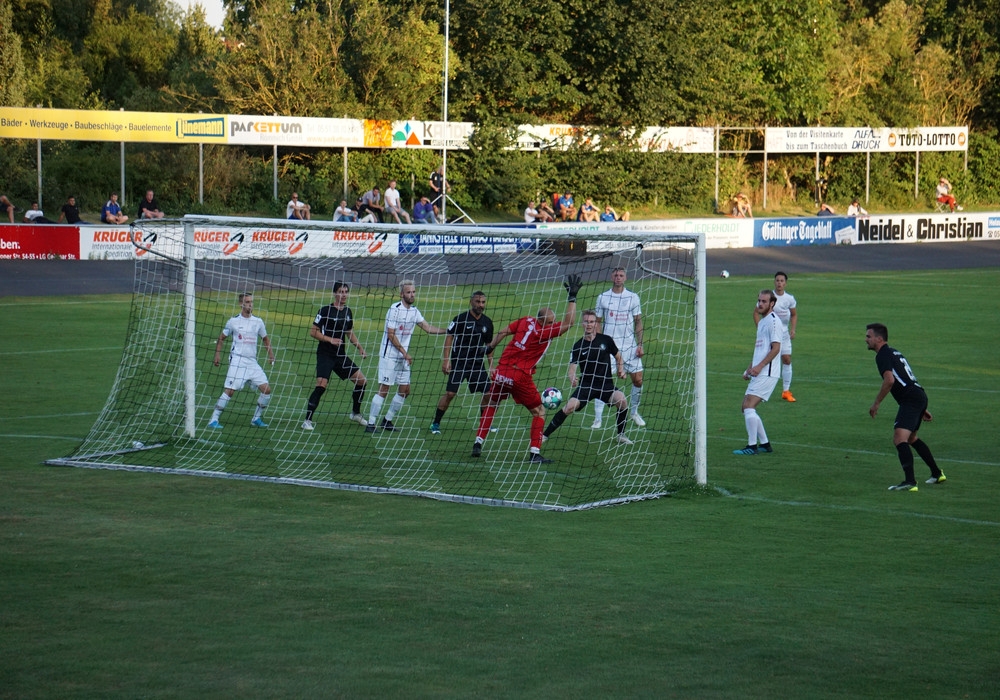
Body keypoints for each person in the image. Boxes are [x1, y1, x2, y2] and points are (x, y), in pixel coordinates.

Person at [472, 274, 581, 463]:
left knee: (492, 404)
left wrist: (490, 347)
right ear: (544, 322)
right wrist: (572, 297)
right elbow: (569, 323)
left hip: (502, 371)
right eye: (551, 322)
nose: (554, 324)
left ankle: (478, 443)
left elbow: (503, 331)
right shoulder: (543, 332)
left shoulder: (525, 320)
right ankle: (534, 453)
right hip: (519, 376)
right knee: (539, 411)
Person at [865, 323, 945, 490]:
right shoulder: (895, 352)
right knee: (911, 438)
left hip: (911, 399)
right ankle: (937, 473)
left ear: (879, 339)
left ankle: (910, 482)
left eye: (868, 336)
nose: (866, 340)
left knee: (899, 438)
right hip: (918, 395)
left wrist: (876, 403)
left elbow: (890, 380)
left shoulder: (882, 355)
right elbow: (905, 378)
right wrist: (921, 407)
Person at [542, 310, 633, 446]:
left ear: (596, 323)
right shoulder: (578, 346)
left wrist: (621, 370)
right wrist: (572, 378)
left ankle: (621, 435)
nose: (589, 324)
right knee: (569, 407)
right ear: (582, 323)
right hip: (586, 386)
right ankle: (544, 435)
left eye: (592, 322)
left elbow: (619, 357)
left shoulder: (606, 340)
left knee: (622, 401)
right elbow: (572, 368)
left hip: (605, 385)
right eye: (586, 321)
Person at [366, 280, 446, 432]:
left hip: (403, 357)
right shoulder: (394, 309)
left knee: (405, 390)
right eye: (409, 292)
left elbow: (427, 328)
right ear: (401, 294)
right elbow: (391, 334)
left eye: (413, 292)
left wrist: (448, 330)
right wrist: (405, 353)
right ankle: (371, 423)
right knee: (384, 388)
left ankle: (387, 420)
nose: (412, 295)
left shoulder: (414, 311)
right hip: (390, 355)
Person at [302, 282, 369, 430]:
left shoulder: (348, 312)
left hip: (340, 355)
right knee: (321, 385)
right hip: (325, 354)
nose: (344, 295)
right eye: (341, 292)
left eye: (346, 292)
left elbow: (349, 332)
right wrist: (330, 339)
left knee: (362, 381)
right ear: (335, 293)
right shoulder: (325, 310)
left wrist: (360, 348)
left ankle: (355, 414)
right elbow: (313, 332)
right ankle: (307, 420)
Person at [207, 292, 275, 429]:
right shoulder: (233, 322)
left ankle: (256, 418)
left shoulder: (258, 322)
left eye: (251, 302)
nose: (250, 304)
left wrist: (271, 355)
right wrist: (217, 355)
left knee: (266, 390)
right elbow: (221, 338)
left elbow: (265, 339)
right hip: (237, 361)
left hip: (252, 362)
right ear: (241, 304)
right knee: (230, 390)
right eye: (247, 302)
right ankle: (213, 419)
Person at [430, 291, 494, 434]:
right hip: (459, 362)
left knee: (489, 393)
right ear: (471, 302)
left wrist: (491, 366)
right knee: (450, 394)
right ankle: (436, 423)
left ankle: (484, 424)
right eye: (478, 302)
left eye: (483, 302)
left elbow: (489, 345)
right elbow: (449, 337)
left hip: (477, 364)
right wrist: (446, 360)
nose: (481, 305)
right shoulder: (460, 319)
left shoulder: (487, 322)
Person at [592, 267, 645, 429]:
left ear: (625, 277)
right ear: (611, 277)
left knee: (638, 380)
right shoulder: (603, 297)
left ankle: (634, 412)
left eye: (621, 275)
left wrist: (640, 344)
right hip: (610, 347)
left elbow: (638, 321)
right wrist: (599, 344)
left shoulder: (633, 297)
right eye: (616, 275)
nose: (618, 278)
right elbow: (597, 322)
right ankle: (598, 418)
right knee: (602, 381)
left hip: (630, 347)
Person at [733, 290, 783, 455]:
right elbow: (760, 349)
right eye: (759, 301)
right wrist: (749, 368)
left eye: (764, 301)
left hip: (768, 372)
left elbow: (776, 348)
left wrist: (760, 367)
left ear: (772, 303)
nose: (760, 304)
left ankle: (752, 446)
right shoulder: (762, 322)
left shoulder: (774, 322)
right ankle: (765, 444)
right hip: (760, 371)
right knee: (746, 407)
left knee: (748, 406)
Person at [754, 271, 797, 402]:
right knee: (768, 357)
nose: (779, 283)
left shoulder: (789, 299)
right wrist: (760, 328)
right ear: (774, 282)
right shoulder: (768, 298)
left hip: (784, 334)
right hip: (771, 334)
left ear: (785, 283)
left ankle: (786, 391)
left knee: (787, 359)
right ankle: (762, 385)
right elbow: (756, 313)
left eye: (782, 281)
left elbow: (794, 314)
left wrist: (793, 329)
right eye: (777, 280)